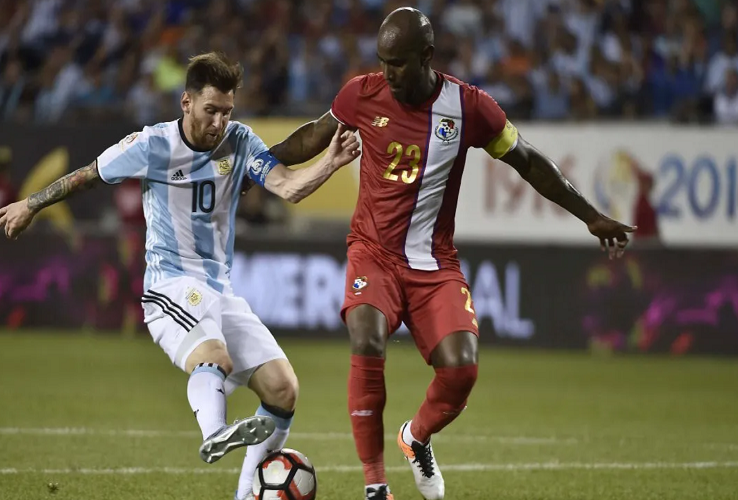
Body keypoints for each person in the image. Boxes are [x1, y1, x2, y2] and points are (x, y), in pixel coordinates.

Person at [266, 8, 635, 500]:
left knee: (462, 369)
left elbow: (528, 161)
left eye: (398, 63)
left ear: (427, 56)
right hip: (373, 252)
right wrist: (258, 164)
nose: (388, 73)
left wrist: (590, 215)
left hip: (433, 263)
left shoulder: (469, 107)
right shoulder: (361, 93)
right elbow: (313, 136)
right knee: (366, 337)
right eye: (383, 61)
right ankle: (376, 485)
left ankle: (415, 436)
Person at [0, 51, 359, 500]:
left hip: (220, 290)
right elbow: (89, 175)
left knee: (283, 389)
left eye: (227, 112)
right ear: (186, 102)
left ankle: (245, 495)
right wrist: (31, 204)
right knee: (216, 358)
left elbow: (289, 186)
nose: (219, 122)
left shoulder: (240, 141)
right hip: (170, 287)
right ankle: (215, 432)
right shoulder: (152, 145)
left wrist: (332, 162)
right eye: (211, 110)